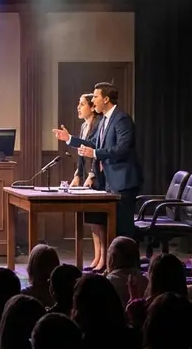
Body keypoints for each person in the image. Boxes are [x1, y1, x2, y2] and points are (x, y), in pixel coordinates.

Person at [54, 82, 143, 239]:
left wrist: (95, 153)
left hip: (123, 181)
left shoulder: (121, 119)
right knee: (113, 229)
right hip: (111, 182)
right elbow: (94, 144)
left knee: (123, 230)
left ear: (106, 99)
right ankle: (113, 262)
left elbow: (122, 148)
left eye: (95, 97)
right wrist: (69, 139)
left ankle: (128, 263)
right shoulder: (104, 120)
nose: (93, 100)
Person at [66, 94, 106, 271]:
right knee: (92, 222)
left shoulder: (99, 124)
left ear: (91, 106)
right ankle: (97, 257)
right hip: (87, 178)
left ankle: (104, 258)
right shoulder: (83, 126)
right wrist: (78, 175)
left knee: (100, 221)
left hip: (99, 177)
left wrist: (92, 175)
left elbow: (95, 149)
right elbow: (81, 155)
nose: (78, 107)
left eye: (82, 104)